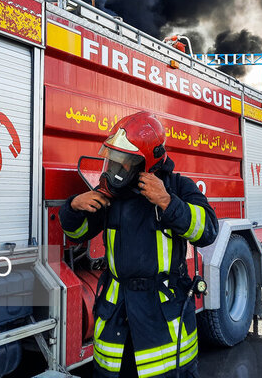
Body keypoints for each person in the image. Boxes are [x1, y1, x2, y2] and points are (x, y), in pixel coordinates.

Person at [60, 111, 218, 377]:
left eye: (123, 163)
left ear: (146, 163)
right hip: (117, 317)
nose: (114, 169)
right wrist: (74, 207)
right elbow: (77, 232)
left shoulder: (178, 187)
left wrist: (168, 202)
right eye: (112, 160)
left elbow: (208, 230)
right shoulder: (111, 194)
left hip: (162, 322)